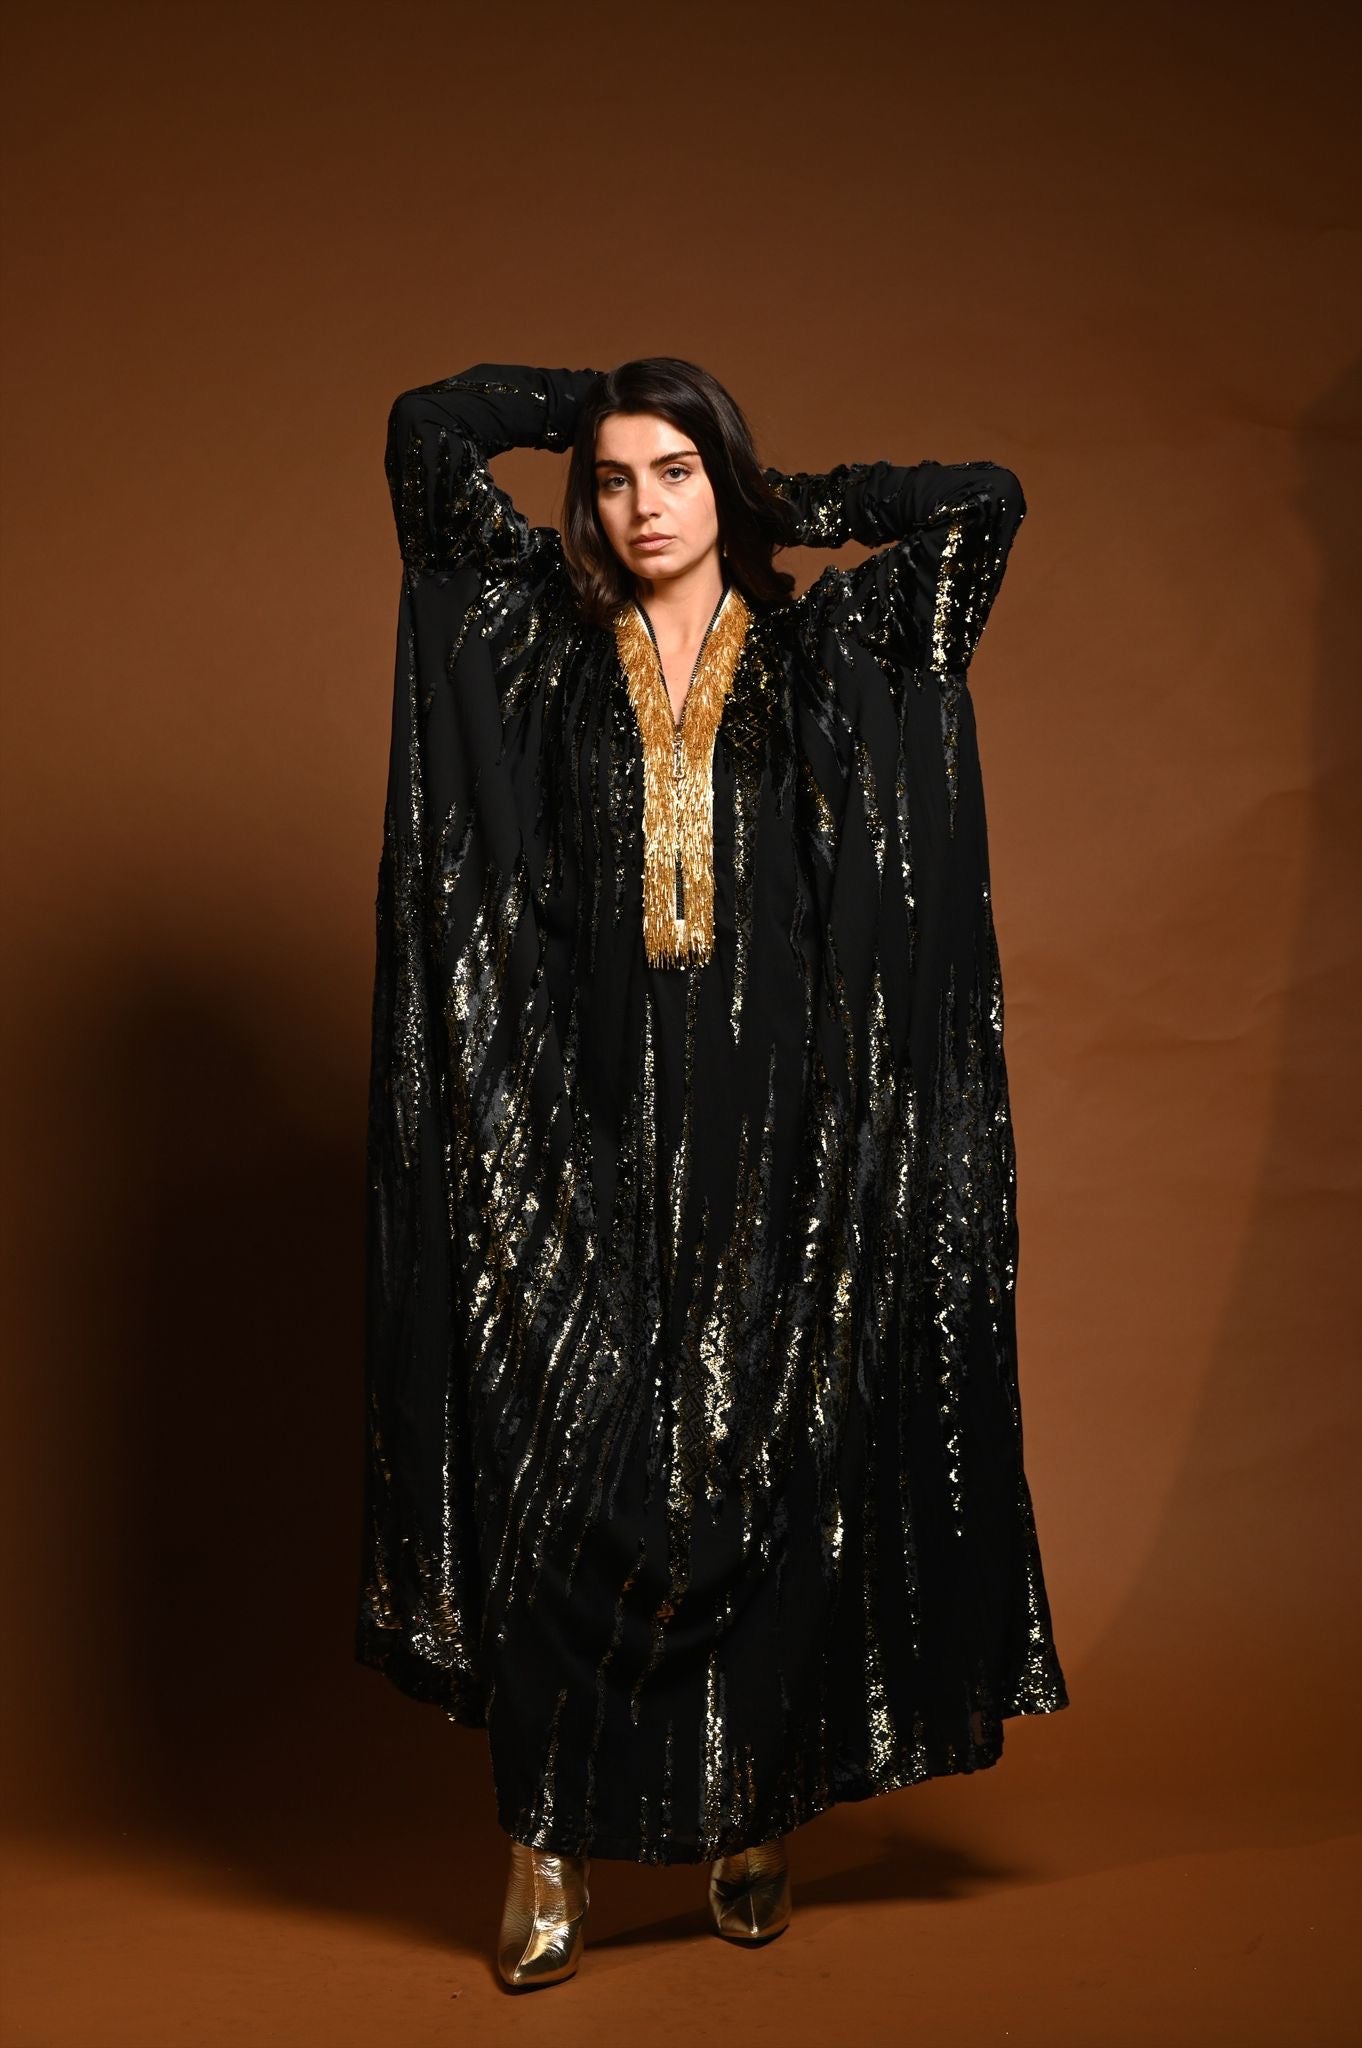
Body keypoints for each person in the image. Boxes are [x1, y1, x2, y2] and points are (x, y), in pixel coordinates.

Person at [357, 358, 1070, 1989]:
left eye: (675, 472)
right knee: (562, 1483)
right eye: (613, 479)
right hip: (576, 1134)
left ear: (719, 485)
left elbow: (983, 507)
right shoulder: (539, 646)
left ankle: (748, 1813)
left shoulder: (823, 652)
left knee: (759, 1477)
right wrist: (591, 394)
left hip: (779, 1145)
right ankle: (544, 1841)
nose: (642, 508)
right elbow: (425, 434)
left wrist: (777, 503)